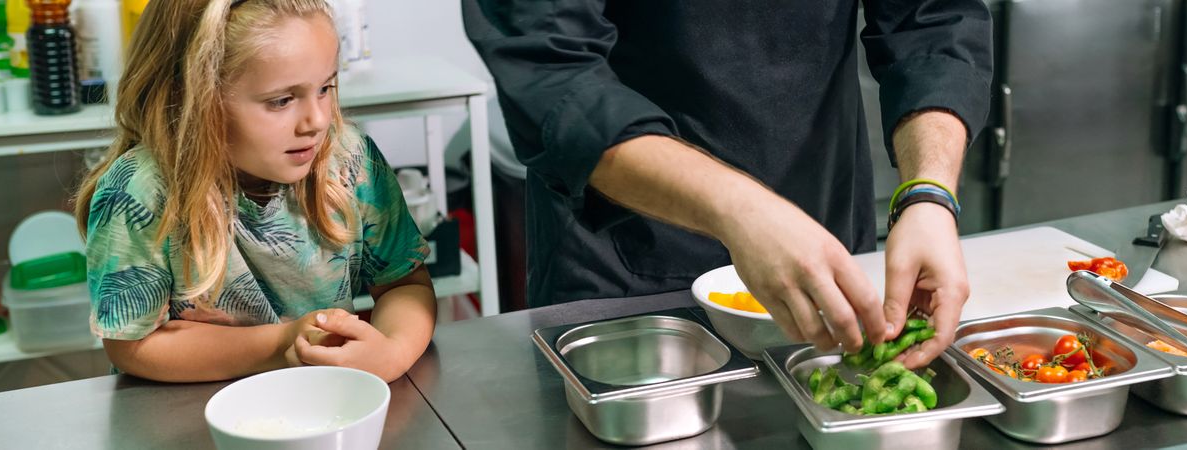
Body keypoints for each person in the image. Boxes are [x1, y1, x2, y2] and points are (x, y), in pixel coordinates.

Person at [464, 1, 992, 367]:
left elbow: (932, 19)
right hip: (625, 265)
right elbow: (551, 71)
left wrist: (928, 194)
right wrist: (740, 208)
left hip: (824, 232)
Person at [73, 0, 436, 383]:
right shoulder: (138, 191)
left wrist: (392, 353)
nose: (316, 120)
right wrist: (283, 343)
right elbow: (132, 345)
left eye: (325, 88)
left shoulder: (350, 159)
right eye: (281, 100)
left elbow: (405, 285)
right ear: (194, 97)